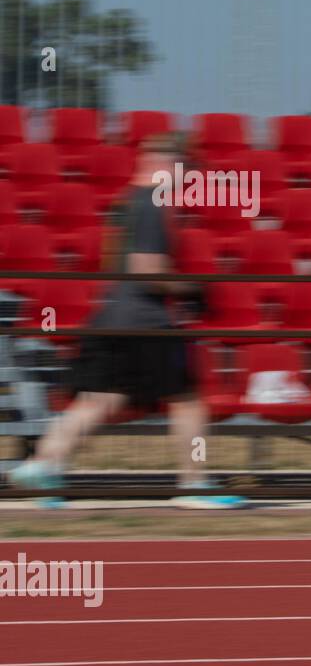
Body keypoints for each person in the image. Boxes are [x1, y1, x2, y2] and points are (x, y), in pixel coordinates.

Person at [6, 134, 244, 509]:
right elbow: (146, 269)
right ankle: (194, 484)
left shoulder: (127, 201)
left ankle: (41, 465)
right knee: (188, 402)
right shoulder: (152, 203)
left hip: (114, 317)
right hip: (144, 323)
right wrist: (190, 289)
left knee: (99, 401)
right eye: (188, 172)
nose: (189, 181)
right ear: (169, 165)